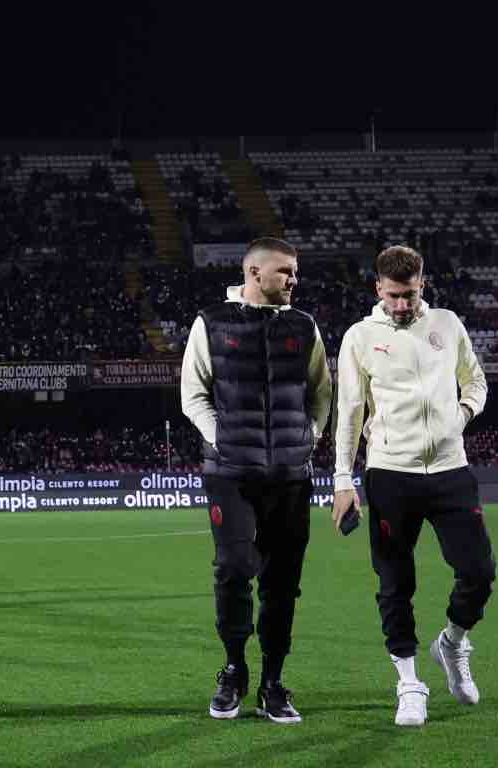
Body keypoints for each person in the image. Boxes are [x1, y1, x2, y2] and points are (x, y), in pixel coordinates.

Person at [333, 245, 492, 727]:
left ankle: (453, 642)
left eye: (410, 293)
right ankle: (409, 683)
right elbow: (349, 413)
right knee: (395, 583)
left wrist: (459, 417)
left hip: (449, 468)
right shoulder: (360, 337)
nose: (402, 304)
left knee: (479, 570)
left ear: (422, 283)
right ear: (378, 288)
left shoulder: (447, 324)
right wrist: (342, 479)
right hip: (389, 472)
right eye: (394, 295)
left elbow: (475, 382)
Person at [180, 237, 332, 724]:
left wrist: (308, 438)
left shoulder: (304, 326)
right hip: (230, 475)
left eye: (295, 272)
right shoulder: (210, 323)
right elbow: (193, 393)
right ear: (254, 274)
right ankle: (233, 669)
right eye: (285, 271)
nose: (293, 280)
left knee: (283, 583)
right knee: (234, 568)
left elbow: (321, 392)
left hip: (290, 475)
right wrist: (219, 439)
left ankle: (273, 680)